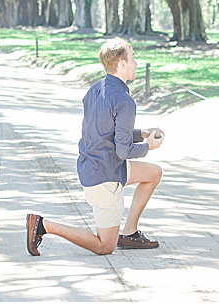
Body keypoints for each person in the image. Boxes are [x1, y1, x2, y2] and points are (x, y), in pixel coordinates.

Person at [26, 38, 164, 256]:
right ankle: (43, 225)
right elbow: (124, 151)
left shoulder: (94, 90)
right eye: (133, 57)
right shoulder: (125, 101)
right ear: (122, 63)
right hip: (105, 176)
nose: (136, 63)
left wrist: (140, 133)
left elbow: (104, 133)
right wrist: (149, 146)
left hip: (94, 165)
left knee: (154, 173)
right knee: (104, 246)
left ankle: (129, 233)